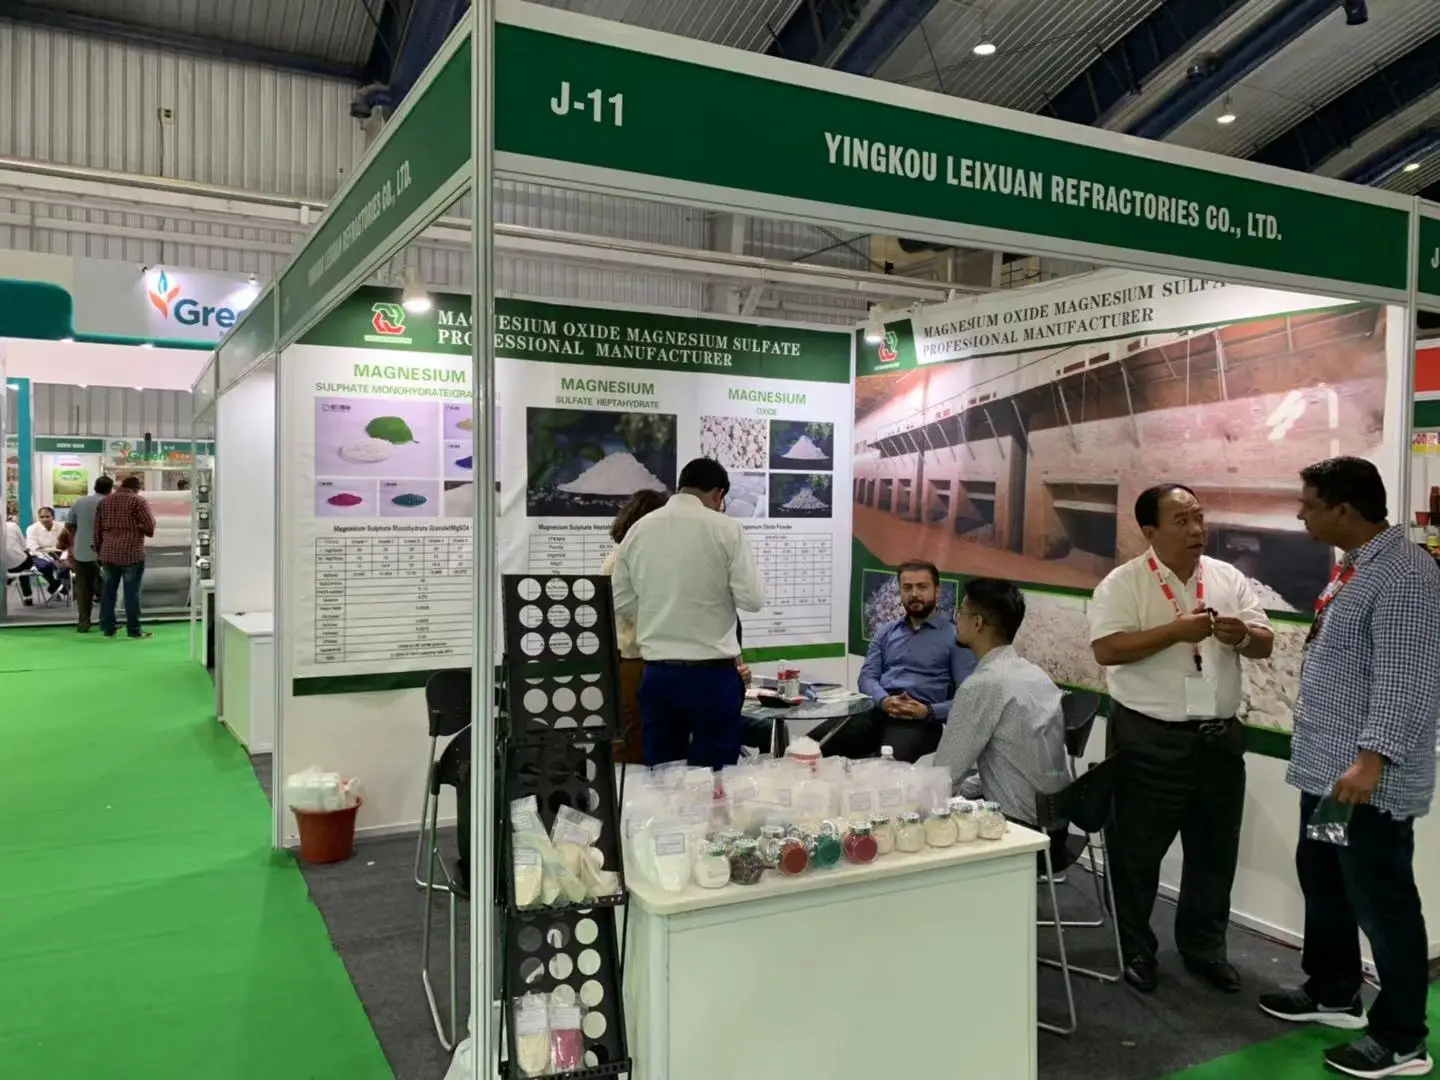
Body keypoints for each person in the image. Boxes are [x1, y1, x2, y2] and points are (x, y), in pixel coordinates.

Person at [1258, 457, 1440, 1080]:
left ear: (1344, 509)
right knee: (1326, 880)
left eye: (1309, 505)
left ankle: (1402, 1038)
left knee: (1383, 901)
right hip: (1329, 774)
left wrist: (1371, 761)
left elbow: (1407, 680)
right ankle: (1334, 991)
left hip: (1365, 782)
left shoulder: (1406, 574)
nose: (1300, 514)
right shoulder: (1359, 566)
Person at [1088, 484, 1273, 995]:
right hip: (1149, 738)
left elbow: (1264, 642)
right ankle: (1136, 949)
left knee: (1214, 852)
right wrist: (1174, 632)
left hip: (1219, 740)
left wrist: (1241, 636)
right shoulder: (1123, 584)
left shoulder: (1227, 577)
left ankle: (1205, 949)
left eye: (1199, 517)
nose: (1196, 529)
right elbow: (1107, 650)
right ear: (1150, 531)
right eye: (1182, 520)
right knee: (1136, 854)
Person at [612, 458, 764, 769]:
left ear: (681, 486)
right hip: (712, 676)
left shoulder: (640, 529)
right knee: (717, 776)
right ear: (718, 495)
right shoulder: (726, 529)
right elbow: (752, 599)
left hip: (658, 675)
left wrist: (661, 607)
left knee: (662, 773)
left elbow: (618, 600)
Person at [934, 578, 1068, 835]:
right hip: (1056, 822)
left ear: (977, 623)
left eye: (961, 612)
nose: (956, 619)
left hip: (1019, 829)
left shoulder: (982, 686)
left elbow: (944, 777)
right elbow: (1015, 759)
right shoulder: (1034, 674)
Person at [815, 560, 976, 762]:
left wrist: (928, 711)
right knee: (810, 747)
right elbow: (867, 677)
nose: (914, 593)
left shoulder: (955, 638)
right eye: (907, 587)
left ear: (937, 590)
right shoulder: (886, 632)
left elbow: (968, 698)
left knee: (885, 767)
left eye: (922, 587)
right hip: (877, 710)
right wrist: (884, 700)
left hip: (919, 720)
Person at [601, 489, 669, 765]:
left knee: (637, 741)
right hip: (633, 661)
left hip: (630, 662)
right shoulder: (628, 560)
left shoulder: (619, 557)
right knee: (633, 745)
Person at [94, 475, 156, 640]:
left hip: (108, 553)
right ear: (136, 488)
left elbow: (97, 529)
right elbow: (150, 528)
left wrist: (99, 551)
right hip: (132, 553)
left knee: (108, 593)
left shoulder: (105, 501)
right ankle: (134, 630)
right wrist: (135, 526)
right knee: (131, 594)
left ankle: (108, 629)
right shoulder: (138, 501)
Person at [67, 476, 112, 632]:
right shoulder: (111, 503)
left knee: (83, 588)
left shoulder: (80, 502)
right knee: (108, 588)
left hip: (82, 551)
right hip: (106, 552)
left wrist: (81, 536)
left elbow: (69, 525)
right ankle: (106, 622)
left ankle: (83, 622)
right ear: (110, 489)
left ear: (94, 487)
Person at [4, 515, 60, 605]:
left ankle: (27, 596)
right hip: (19, 562)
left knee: (25, 566)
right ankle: (55, 585)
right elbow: (24, 545)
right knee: (29, 563)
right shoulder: (12, 526)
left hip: (5, 567)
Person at [25, 506, 69, 596]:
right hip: (38, 554)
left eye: (47, 516)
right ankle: (56, 585)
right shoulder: (32, 529)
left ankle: (55, 587)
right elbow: (34, 547)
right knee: (45, 566)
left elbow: (67, 545)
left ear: (53, 517)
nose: (44, 519)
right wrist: (51, 560)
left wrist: (62, 558)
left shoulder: (61, 527)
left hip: (57, 553)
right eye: (41, 517)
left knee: (67, 565)